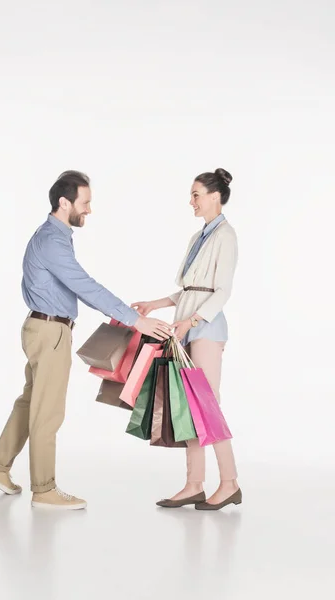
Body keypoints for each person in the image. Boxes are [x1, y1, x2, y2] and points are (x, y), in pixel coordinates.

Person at [0, 170, 171, 510]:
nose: (89, 210)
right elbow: (84, 286)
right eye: (85, 203)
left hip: (43, 329)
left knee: (30, 403)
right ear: (64, 202)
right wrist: (136, 320)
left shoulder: (54, 237)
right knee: (47, 411)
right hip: (50, 332)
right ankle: (44, 489)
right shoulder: (52, 240)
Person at [132, 168, 242, 511]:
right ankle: (194, 484)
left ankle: (229, 483)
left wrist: (191, 320)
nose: (191, 201)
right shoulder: (199, 238)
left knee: (207, 406)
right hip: (188, 326)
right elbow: (190, 290)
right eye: (192, 195)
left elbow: (221, 292)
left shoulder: (226, 235)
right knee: (191, 408)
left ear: (215, 196)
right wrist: (158, 303)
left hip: (206, 329)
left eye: (196, 194)